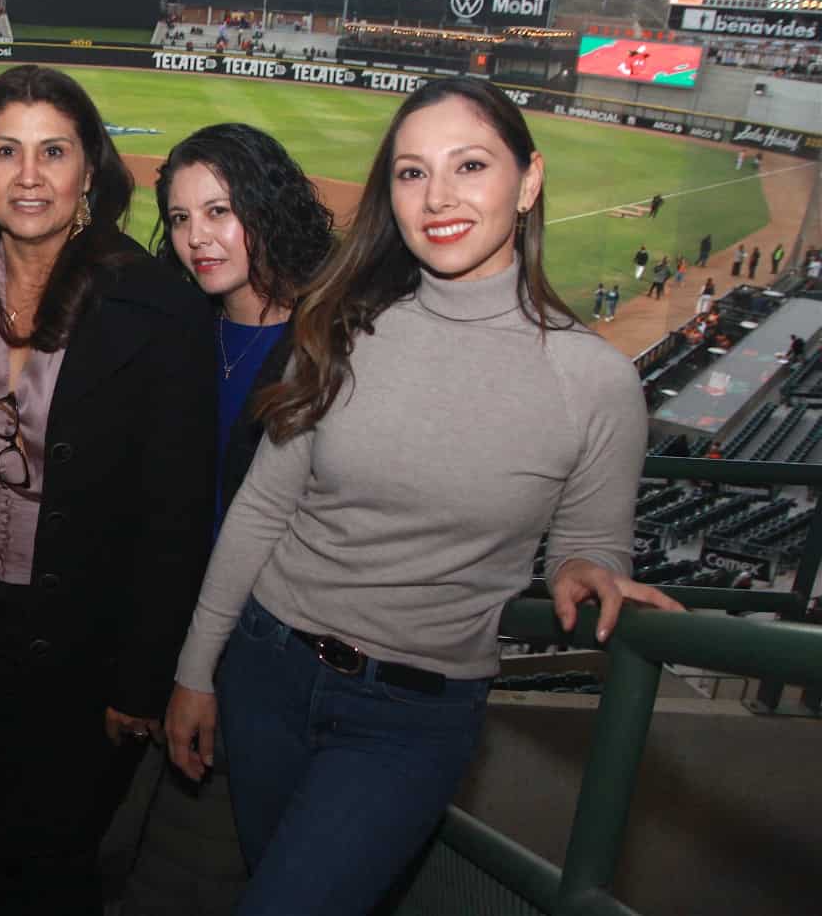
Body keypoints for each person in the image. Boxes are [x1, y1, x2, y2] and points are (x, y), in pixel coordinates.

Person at [164, 77, 682, 916]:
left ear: (530, 180)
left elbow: (592, 541)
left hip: (410, 719)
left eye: (469, 165)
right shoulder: (337, 324)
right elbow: (263, 509)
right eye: (411, 173)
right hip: (265, 671)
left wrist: (588, 566)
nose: (437, 198)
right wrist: (197, 670)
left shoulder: (595, 382)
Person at [0, 65, 215, 915]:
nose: (28, 176)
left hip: (87, 648)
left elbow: (174, 515)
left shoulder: (157, 304)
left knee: (56, 863)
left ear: (89, 174)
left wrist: (142, 680)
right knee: (2, 853)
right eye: (6, 152)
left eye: (52, 151)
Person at [152, 123, 336, 537]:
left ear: (268, 209)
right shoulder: (173, 331)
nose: (195, 237)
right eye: (180, 218)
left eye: (218, 211)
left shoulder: (331, 342)